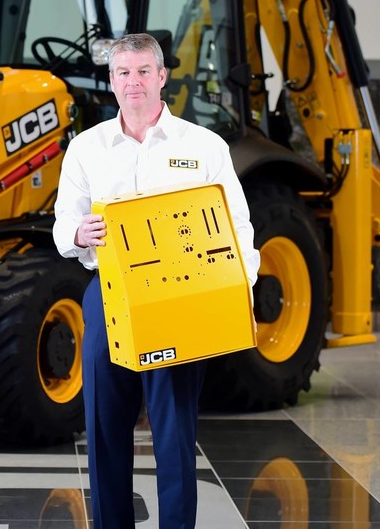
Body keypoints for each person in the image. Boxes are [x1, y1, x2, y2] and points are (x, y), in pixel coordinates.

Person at [52, 33, 260, 528]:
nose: (134, 82)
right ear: (111, 81)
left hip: (181, 299)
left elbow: (238, 224)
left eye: (144, 71)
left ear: (163, 77)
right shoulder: (87, 148)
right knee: (105, 426)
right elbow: (63, 225)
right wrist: (79, 231)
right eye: (123, 73)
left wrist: (241, 290)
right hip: (110, 294)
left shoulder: (203, 145)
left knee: (173, 430)